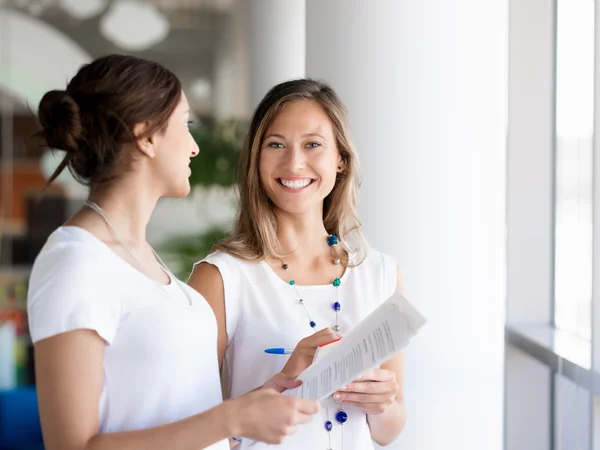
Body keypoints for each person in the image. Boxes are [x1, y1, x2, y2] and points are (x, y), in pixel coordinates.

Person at [27, 55, 318, 450]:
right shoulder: (76, 262)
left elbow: (180, 415)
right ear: (146, 136)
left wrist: (259, 404)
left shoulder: (141, 257)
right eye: (186, 125)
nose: (196, 147)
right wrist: (229, 416)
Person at [189, 79, 407, 450]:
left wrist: (381, 405)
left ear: (340, 159)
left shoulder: (382, 274)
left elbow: (388, 431)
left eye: (312, 145)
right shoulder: (220, 278)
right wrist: (277, 389)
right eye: (275, 145)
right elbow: (192, 430)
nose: (293, 162)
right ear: (256, 158)